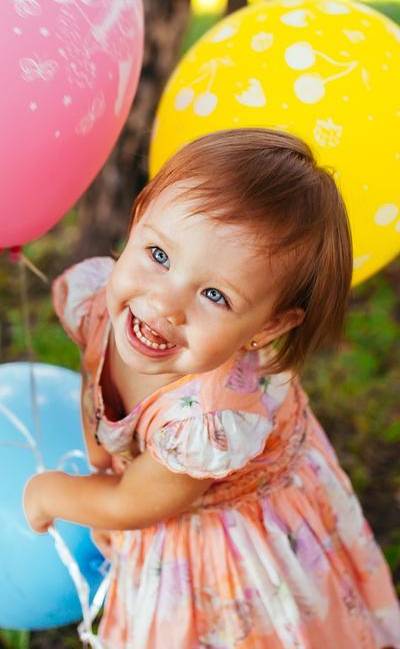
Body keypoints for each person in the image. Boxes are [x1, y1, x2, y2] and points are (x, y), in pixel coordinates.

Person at [24, 129, 400, 649]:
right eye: (159, 254)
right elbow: (98, 382)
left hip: (227, 538)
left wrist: (50, 494)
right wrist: (99, 464)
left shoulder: (206, 420)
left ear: (267, 328)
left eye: (215, 295)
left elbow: (138, 502)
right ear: (138, 221)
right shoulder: (109, 305)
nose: (165, 302)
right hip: (153, 484)